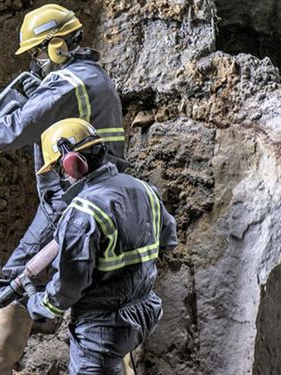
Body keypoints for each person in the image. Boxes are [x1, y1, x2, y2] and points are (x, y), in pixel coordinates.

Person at [0, 4, 127, 375]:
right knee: (107, 298)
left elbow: (16, 129)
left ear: (57, 46)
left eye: (38, 52)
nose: (36, 60)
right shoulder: (89, 78)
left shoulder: (70, 83)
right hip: (85, 195)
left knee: (19, 278)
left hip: (74, 202)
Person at [22, 118, 178, 374]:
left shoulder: (82, 213)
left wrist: (39, 303)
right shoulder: (145, 189)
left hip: (102, 330)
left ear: (71, 164)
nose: (61, 178)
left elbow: (68, 289)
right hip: (144, 312)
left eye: (59, 169)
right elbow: (168, 240)